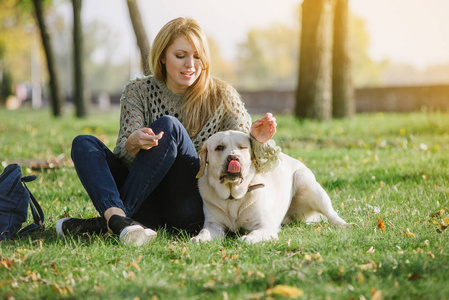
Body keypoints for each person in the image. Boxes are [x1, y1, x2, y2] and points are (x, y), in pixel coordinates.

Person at [56, 17, 280, 246]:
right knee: (83, 143)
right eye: (180, 56)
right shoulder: (138, 91)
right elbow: (123, 158)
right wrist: (132, 145)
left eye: (197, 57)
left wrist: (258, 141)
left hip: (188, 205)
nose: (190, 64)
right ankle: (120, 222)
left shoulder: (223, 95)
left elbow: (253, 161)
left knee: (169, 126)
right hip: (143, 197)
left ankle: (106, 223)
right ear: (162, 56)